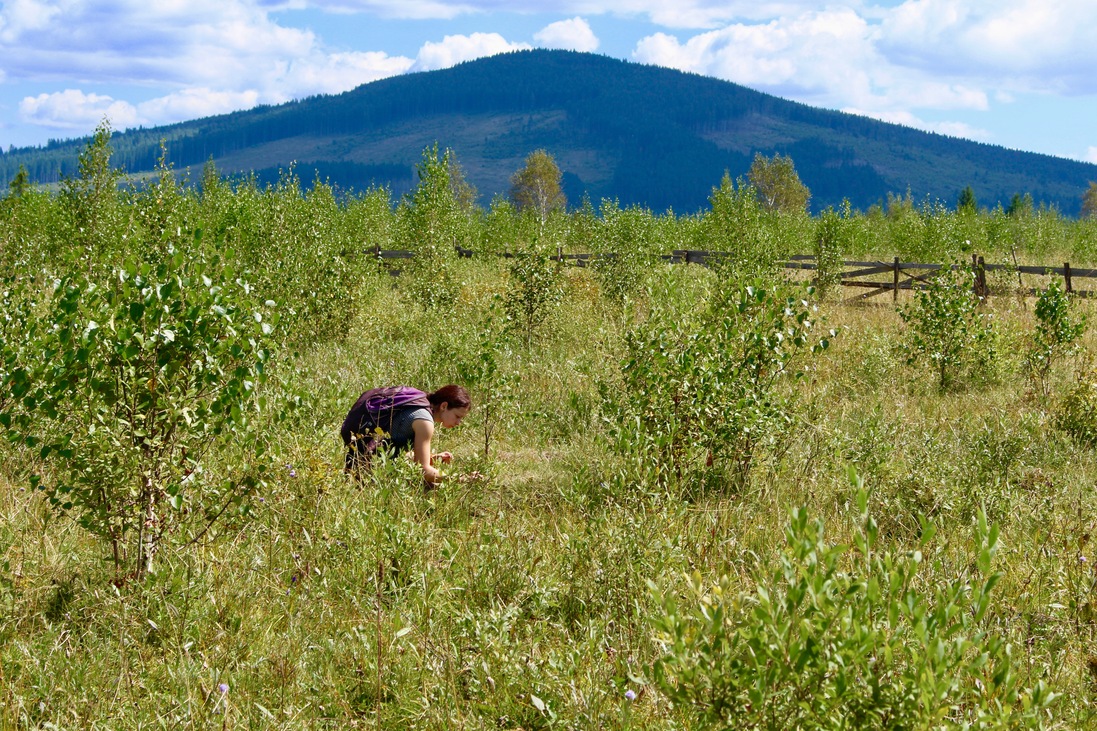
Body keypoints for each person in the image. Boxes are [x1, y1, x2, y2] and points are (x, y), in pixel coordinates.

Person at [341, 384, 471, 485]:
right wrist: (462, 478)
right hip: (370, 465)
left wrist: (432, 457)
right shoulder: (425, 423)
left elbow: (395, 446)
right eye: (457, 416)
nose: (459, 423)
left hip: (359, 451)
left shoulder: (420, 400)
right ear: (444, 406)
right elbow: (424, 472)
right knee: (434, 486)